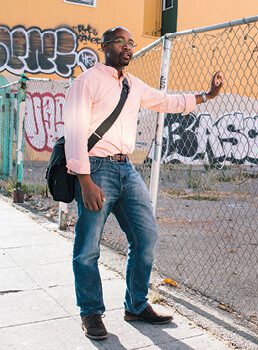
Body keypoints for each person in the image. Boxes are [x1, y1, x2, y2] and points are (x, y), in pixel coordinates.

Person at [64, 26, 224, 340]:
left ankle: (136, 305)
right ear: (106, 45)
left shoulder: (133, 85)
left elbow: (167, 101)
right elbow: (74, 131)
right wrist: (84, 180)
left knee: (146, 237)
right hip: (96, 169)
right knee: (87, 248)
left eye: (132, 43)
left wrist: (207, 95)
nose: (128, 47)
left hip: (127, 169)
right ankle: (91, 313)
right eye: (121, 41)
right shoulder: (87, 82)